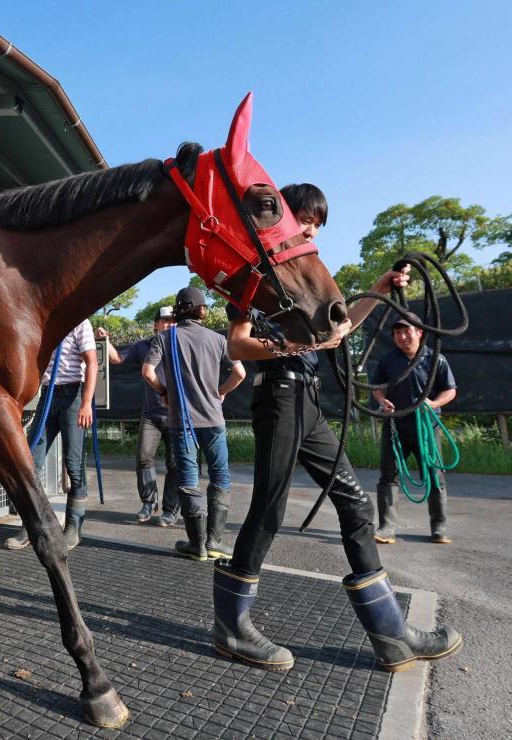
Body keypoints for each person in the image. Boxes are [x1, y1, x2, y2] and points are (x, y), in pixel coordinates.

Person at [217, 183, 461, 672]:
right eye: (305, 217)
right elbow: (237, 346)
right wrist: (288, 347)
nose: (311, 228)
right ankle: (232, 627)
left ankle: (392, 634)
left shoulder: (307, 278)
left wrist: (379, 286)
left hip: (306, 402)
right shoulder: (255, 277)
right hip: (278, 398)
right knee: (269, 508)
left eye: (318, 223)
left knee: (355, 501)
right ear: (283, 215)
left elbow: (337, 330)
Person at [143, 286, 246, 561]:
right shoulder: (217, 339)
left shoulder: (166, 337)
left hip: (182, 421)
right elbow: (240, 373)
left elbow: (147, 371)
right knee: (220, 475)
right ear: (202, 310)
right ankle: (214, 541)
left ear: (178, 310)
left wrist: (164, 392)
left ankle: (197, 545)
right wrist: (220, 392)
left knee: (189, 479)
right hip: (214, 418)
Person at [5, 319, 98, 551]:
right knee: (30, 462)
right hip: (48, 395)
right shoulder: (44, 323)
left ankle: (73, 527)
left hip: (73, 395)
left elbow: (92, 362)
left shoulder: (79, 323)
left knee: (74, 465)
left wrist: (86, 403)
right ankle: (31, 526)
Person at [371, 311, 458, 544]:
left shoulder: (435, 358)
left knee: (434, 476)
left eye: (406, 331)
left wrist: (434, 403)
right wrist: (381, 401)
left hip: (426, 428)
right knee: (388, 476)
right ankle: (386, 528)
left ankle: (439, 528)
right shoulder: (388, 360)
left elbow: (450, 390)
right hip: (395, 427)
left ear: (419, 332)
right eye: (397, 332)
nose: (401, 336)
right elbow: (377, 387)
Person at [96, 307, 181, 526]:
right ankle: (149, 502)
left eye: (174, 320)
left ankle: (171, 510)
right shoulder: (142, 346)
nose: (170, 323)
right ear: (155, 324)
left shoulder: (184, 344)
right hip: (151, 415)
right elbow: (117, 359)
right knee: (143, 457)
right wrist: (105, 341)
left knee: (175, 464)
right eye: (165, 320)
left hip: (177, 416)